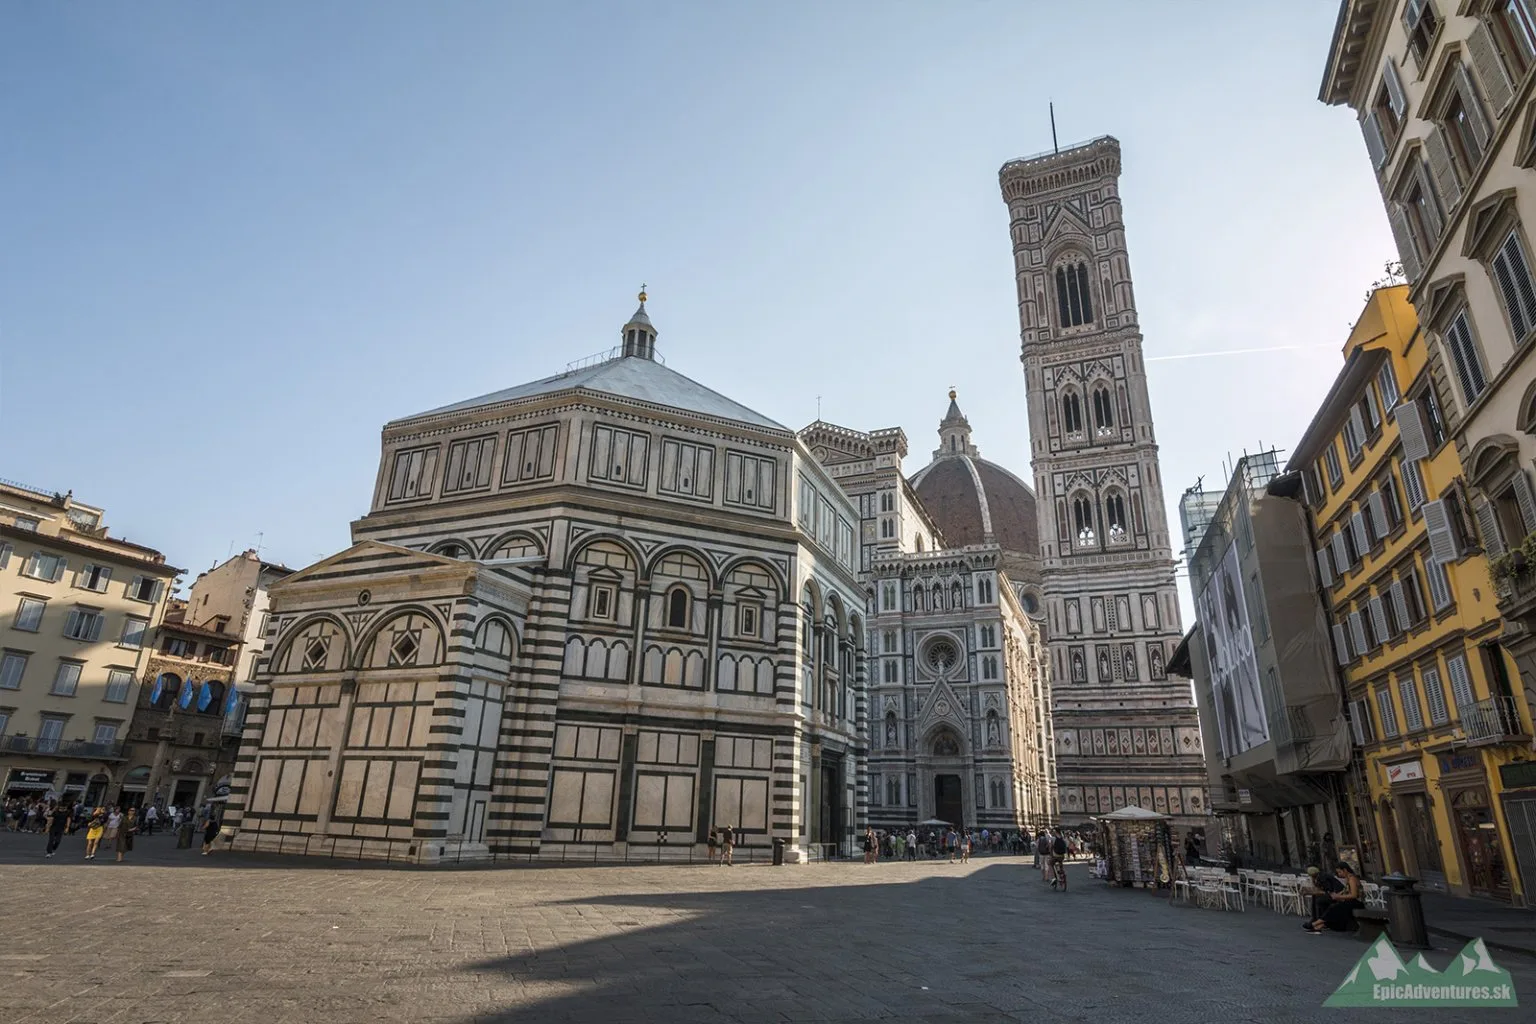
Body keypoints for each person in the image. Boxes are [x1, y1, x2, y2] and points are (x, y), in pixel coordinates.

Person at [1304, 862, 1363, 933]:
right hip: (1350, 901)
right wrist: (1337, 895)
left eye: (1340, 872)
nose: (1339, 874)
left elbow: (1354, 895)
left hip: (1356, 902)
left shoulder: (1352, 879)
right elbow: (1345, 891)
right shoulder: (1348, 879)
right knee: (1333, 906)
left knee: (1335, 908)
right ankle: (1320, 924)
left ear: (1345, 870)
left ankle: (1316, 923)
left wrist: (1339, 896)